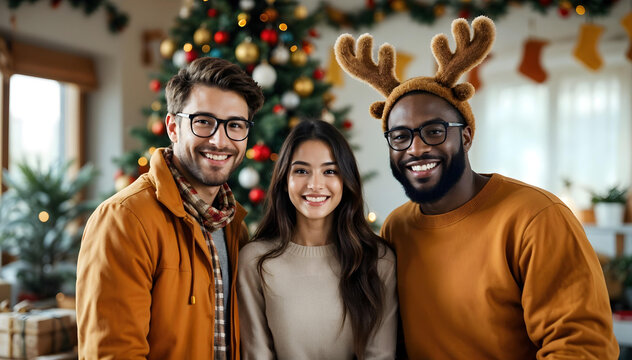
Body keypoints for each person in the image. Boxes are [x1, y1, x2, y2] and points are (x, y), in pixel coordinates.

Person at [335, 16, 618, 359]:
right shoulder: (398, 227)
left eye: (434, 131)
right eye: (400, 136)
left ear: (465, 135)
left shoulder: (536, 217)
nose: (416, 148)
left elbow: (584, 348)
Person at [76, 57, 264, 359]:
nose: (220, 139)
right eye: (203, 122)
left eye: (235, 125)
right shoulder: (124, 219)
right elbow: (113, 353)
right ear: (173, 127)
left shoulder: (234, 227)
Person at [237, 119, 398, 360]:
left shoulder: (378, 260)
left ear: (346, 180)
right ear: (284, 179)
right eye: (301, 171)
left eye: (330, 171)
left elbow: (380, 355)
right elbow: (257, 352)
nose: (314, 185)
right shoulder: (255, 260)